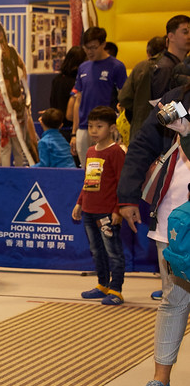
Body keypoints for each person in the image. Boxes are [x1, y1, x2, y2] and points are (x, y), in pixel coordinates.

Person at [120, 79, 190, 386]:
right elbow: (142, 145)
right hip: (174, 218)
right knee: (174, 298)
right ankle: (160, 379)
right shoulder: (178, 96)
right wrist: (128, 196)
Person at [71, 106, 125, 305]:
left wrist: (117, 209)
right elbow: (88, 180)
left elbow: (122, 183)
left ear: (111, 128)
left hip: (107, 213)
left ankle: (116, 289)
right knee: (97, 250)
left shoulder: (116, 152)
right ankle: (102, 284)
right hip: (89, 211)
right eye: (91, 126)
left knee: (114, 251)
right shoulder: (91, 151)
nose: (93, 130)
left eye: (99, 126)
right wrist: (79, 203)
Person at [119, 15, 190, 141]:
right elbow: (161, 107)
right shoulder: (165, 67)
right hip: (157, 139)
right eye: (185, 32)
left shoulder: (170, 65)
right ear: (171, 36)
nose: (189, 36)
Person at [71, 27, 127, 167]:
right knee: (86, 170)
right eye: (86, 48)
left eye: (93, 47)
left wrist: (119, 127)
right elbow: (78, 99)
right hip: (84, 126)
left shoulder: (116, 67)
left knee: (107, 168)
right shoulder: (83, 67)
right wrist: (74, 132)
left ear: (103, 44)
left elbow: (124, 98)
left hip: (107, 126)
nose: (89, 51)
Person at [0, 23, 38, 166]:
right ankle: (6, 174)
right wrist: (10, 97)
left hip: (16, 100)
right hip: (6, 102)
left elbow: (22, 67)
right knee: (6, 144)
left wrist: (20, 87)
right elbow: (3, 79)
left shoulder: (11, 50)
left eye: (2, 37)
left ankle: (19, 171)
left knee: (19, 143)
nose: (1, 40)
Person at [50, 45, 84, 141]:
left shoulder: (57, 79)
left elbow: (52, 103)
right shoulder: (78, 83)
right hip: (72, 128)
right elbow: (70, 114)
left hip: (56, 128)